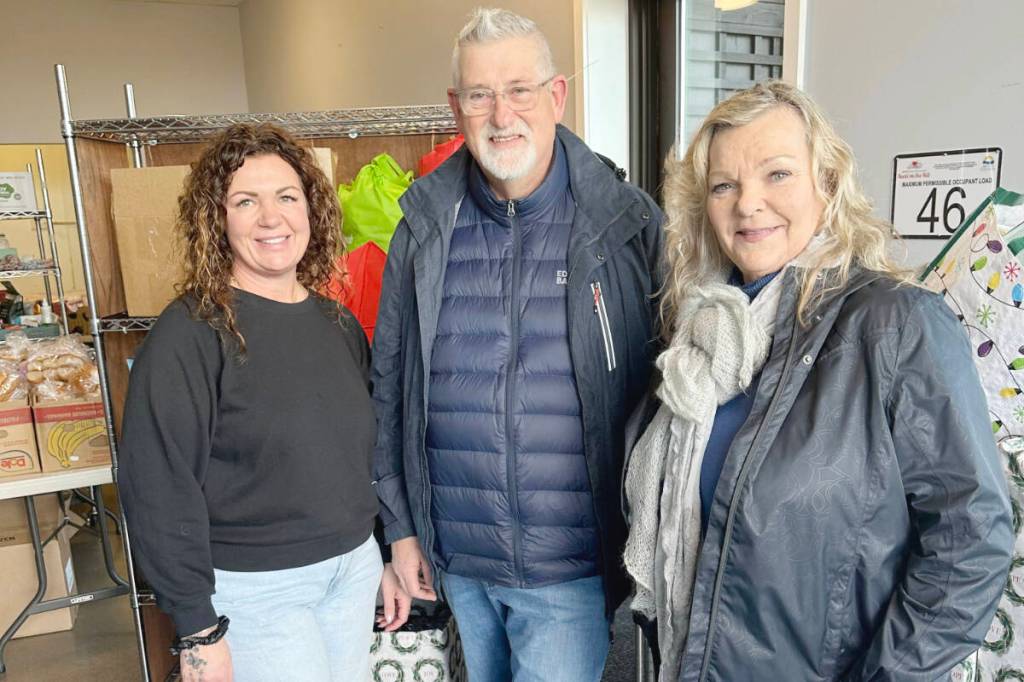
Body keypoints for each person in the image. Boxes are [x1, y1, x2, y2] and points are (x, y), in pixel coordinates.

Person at [623, 80, 1014, 681]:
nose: (747, 204)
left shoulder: (896, 324)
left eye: (777, 174)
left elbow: (971, 538)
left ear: (827, 184)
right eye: (725, 185)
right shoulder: (695, 334)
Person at [371, 8, 664, 682]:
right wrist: (402, 528)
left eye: (520, 90)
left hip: (569, 567)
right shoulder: (422, 229)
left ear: (556, 95)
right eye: (480, 95)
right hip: (457, 560)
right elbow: (389, 386)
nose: (502, 114)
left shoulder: (629, 225)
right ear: (456, 107)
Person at [118, 123, 409, 682]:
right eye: (245, 201)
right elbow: (158, 485)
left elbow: (356, 458)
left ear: (311, 210)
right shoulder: (191, 333)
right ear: (216, 219)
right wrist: (199, 629)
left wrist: (380, 555)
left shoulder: (337, 322)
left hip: (350, 572)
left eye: (287, 197)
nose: (271, 218)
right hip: (255, 589)